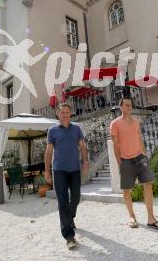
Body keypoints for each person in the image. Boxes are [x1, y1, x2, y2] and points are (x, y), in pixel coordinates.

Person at [110, 97, 158, 230]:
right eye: (127, 105)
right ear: (121, 107)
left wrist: (145, 154)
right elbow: (115, 145)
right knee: (126, 190)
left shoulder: (136, 122)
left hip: (140, 158)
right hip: (125, 159)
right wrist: (119, 162)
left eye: (131, 105)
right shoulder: (115, 123)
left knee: (148, 184)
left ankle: (151, 218)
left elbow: (139, 138)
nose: (129, 107)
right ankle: (132, 217)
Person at [45, 103, 89, 249]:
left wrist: (85, 161)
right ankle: (69, 236)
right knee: (63, 202)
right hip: (59, 171)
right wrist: (47, 170)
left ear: (71, 113)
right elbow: (49, 151)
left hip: (75, 169)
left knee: (76, 197)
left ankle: (70, 218)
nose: (64, 114)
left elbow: (82, 146)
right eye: (62, 112)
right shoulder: (52, 131)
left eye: (67, 112)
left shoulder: (76, 129)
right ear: (58, 114)